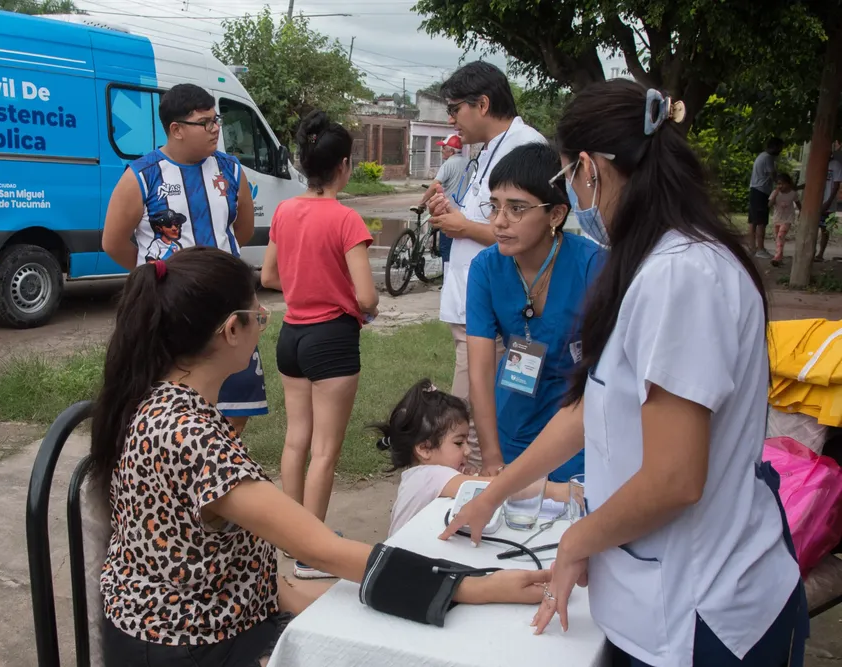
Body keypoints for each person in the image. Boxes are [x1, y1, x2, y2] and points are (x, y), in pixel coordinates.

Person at [443, 81, 807, 667]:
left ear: (589, 169)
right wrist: (496, 491)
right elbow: (591, 408)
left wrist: (578, 540)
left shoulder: (682, 276)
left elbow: (674, 479)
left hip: (704, 611)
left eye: (565, 178)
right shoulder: (648, 265)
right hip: (655, 600)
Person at [91, 246, 554, 667]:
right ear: (232, 330)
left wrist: (332, 609)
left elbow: (222, 561)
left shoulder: (158, 401)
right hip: (187, 643)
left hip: (191, 622)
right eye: (258, 317)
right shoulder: (190, 436)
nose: (263, 325)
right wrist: (473, 586)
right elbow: (320, 548)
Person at [101, 83, 266, 435]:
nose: (215, 129)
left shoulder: (231, 171)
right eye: (205, 122)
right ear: (176, 129)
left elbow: (243, 231)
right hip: (172, 312)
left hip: (227, 309)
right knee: (170, 411)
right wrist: (162, 275)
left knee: (234, 409)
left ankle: (222, 461)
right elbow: (113, 242)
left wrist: (215, 272)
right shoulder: (142, 176)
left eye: (216, 120)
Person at [260, 111, 379, 579]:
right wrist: (355, 301)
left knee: (296, 440)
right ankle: (313, 554)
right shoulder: (347, 219)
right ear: (344, 165)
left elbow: (269, 276)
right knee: (325, 450)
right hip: (332, 340)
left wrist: (304, 285)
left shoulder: (285, 211)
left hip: (291, 336)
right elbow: (366, 297)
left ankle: (294, 539)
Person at [426, 61, 547, 474]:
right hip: (473, 305)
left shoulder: (524, 148)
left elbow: (526, 236)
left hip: (497, 310)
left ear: (482, 104)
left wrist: (463, 226)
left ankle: (476, 492)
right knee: (475, 416)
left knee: (470, 422)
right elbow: (486, 220)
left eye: (454, 109)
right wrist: (452, 213)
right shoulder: (488, 150)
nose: (451, 119)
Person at [466, 143, 601, 483]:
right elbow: (480, 371)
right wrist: (492, 458)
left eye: (516, 209)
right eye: (494, 206)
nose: (499, 222)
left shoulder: (592, 266)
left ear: (555, 215)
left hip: (580, 429)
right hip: (514, 425)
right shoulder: (486, 268)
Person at [375, 379, 566, 537]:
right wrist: (554, 490)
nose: (468, 451)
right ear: (424, 449)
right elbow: (498, 487)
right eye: (459, 443)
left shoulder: (421, 475)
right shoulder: (431, 475)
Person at [416, 133, 469, 265]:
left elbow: (435, 185)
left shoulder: (448, 164)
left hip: (449, 213)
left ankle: (447, 277)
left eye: (444, 148)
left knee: (446, 249)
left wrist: (422, 202)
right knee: (460, 249)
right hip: (466, 215)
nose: (442, 151)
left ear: (451, 151)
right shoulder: (469, 163)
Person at [747, 137, 783, 259]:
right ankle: (760, 249)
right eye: (780, 147)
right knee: (761, 222)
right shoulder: (768, 158)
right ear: (774, 147)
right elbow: (774, 176)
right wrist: (784, 184)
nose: (780, 150)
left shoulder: (762, 156)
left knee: (753, 221)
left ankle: (752, 247)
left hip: (755, 190)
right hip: (761, 191)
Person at [816, 152, 842, 262]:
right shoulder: (817, 163)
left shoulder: (835, 165)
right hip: (816, 202)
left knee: (825, 229)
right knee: (813, 227)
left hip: (829, 204)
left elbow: (836, 186)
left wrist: (828, 202)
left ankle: (820, 254)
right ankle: (811, 251)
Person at [769, 173, 800, 266]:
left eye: (782, 184)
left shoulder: (793, 193)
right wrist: (774, 195)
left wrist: (802, 212)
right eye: (778, 184)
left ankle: (776, 257)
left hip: (788, 219)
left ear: (788, 183)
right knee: (778, 239)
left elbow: (798, 203)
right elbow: (769, 205)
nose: (780, 186)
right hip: (777, 218)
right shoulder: (775, 193)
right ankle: (780, 258)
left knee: (780, 236)